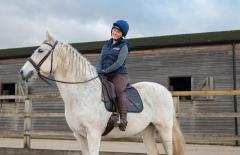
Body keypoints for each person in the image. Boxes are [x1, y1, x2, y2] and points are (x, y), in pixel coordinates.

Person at [97, 20, 130, 131]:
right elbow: (100, 59)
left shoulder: (124, 46)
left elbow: (119, 63)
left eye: (118, 32)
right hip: (104, 73)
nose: (115, 33)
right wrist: (98, 70)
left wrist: (106, 70)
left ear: (122, 34)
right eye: (114, 30)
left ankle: (123, 119)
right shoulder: (106, 45)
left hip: (119, 74)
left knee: (119, 90)